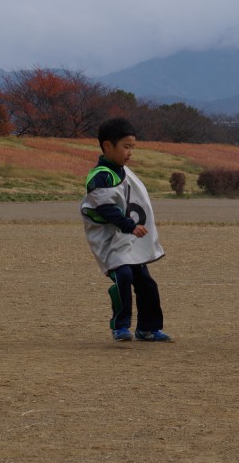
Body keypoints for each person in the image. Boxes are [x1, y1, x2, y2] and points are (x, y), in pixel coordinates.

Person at [80, 117, 172, 342]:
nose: (130, 152)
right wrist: (130, 226)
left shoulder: (122, 171)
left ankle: (148, 328)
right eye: (126, 147)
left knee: (146, 283)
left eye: (133, 147)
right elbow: (106, 209)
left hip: (126, 240)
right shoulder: (100, 176)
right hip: (110, 242)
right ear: (107, 146)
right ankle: (120, 325)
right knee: (124, 275)